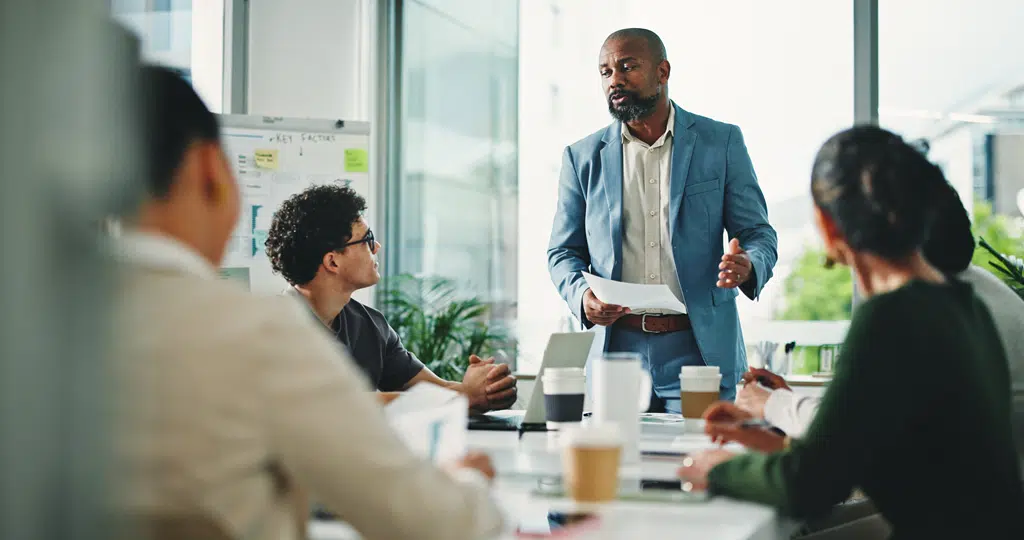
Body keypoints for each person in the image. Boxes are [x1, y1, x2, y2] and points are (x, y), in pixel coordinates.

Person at [110, 65, 504, 540]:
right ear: (209, 170)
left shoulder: (45, 328)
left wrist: (463, 391)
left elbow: (420, 391)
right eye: (367, 240)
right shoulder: (259, 332)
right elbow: (426, 520)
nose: (376, 250)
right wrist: (468, 482)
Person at [677, 125, 1024, 538]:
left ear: (828, 227)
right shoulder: (964, 304)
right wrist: (777, 446)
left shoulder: (892, 316)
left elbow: (809, 486)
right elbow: (897, 456)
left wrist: (716, 469)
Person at [547, 28, 777, 411]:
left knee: (701, 464)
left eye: (628, 67)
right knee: (616, 467)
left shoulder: (720, 142)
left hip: (699, 351)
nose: (615, 79)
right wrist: (581, 295)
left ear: (662, 71)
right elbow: (562, 251)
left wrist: (749, 263)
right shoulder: (581, 157)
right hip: (616, 352)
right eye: (605, 72)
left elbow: (757, 233)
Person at [730, 180, 1024, 442]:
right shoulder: (987, 293)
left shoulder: (920, 312)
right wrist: (787, 403)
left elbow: (852, 436)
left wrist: (771, 405)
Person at [263, 184, 518, 412]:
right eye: (367, 240)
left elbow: (432, 391)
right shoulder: (274, 329)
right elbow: (343, 405)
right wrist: (463, 397)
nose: (377, 248)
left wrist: (486, 389)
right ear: (332, 261)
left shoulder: (370, 324)